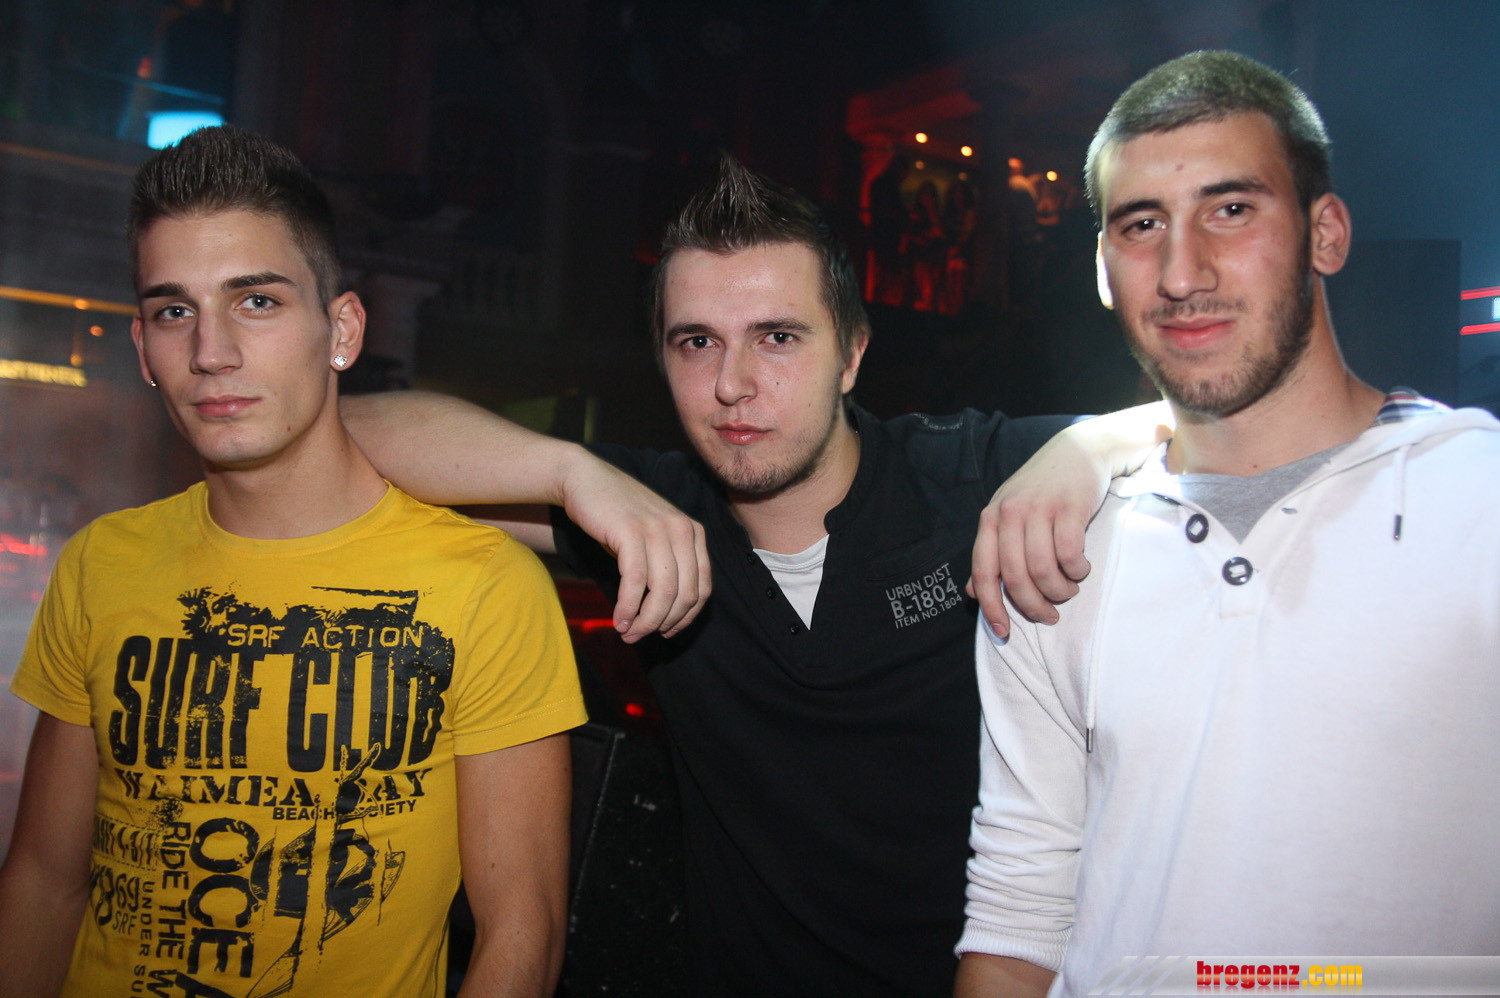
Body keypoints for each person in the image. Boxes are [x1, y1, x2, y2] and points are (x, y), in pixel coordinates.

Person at [343, 155, 1168, 996]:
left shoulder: (968, 474)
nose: (732, 385)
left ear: (851, 355)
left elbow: (1215, 419)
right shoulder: (649, 513)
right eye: (697, 343)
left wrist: (1091, 444)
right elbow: (341, 437)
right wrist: (569, 474)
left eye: (778, 338)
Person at [956, 50, 1500, 998]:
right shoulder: (1053, 545)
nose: (1182, 272)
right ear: (1102, 269)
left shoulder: (1475, 497)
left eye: (1231, 209)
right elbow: (1016, 921)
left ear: (1325, 232)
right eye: (1141, 225)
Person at [0, 126, 586, 998]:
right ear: (143, 349)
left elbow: (522, 940)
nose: (211, 353)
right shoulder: (101, 563)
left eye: (257, 301)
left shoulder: (484, 587)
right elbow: (44, 883)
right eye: (174, 312)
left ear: (341, 330)